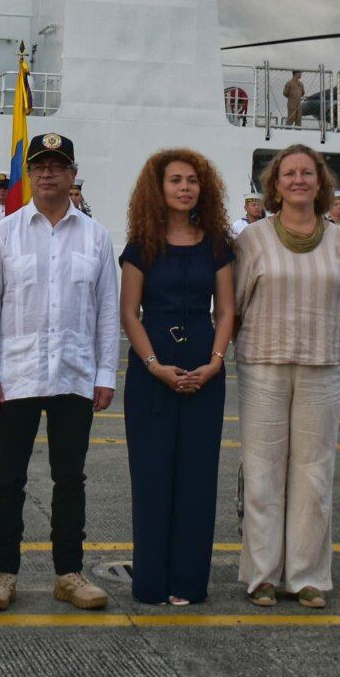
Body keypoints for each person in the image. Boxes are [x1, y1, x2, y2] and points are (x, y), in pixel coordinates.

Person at [0, 133, 119, 612]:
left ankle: (69, 574)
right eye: (40, 166)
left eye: (58, 165)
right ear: (30, 174)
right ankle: (3, 572)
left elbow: (107, 311)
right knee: (7, 478)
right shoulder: (4, 234)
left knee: (70, 479)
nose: (48, 173)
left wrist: (106, 373)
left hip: (74, 374)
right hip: (16, 375)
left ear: (73, 173)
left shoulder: (96, 237)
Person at [232, 143, 340, 608]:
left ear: (320, 182)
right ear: (276, 184)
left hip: (321, 366)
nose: (299, 180)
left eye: (308, 173)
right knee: (262, 471)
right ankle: (262, 575)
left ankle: (307, 576)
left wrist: (325, 342)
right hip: (263, 364)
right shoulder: (252, 239)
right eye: (289, 173)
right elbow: (236, 304)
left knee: (314, 474)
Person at [118, 150, 236, 607]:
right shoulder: (140, 247)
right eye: (175, 180)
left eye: (192, 180)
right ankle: (151, 581)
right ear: (159, 188)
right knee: (152, 477)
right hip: (152, 372)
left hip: (206, 369)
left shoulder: (217, 245)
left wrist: (216, 362)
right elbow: (130, 313)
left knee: (197, 478)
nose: (185, 188)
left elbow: (226, 311)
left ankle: (188, 581)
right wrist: (154, 366)